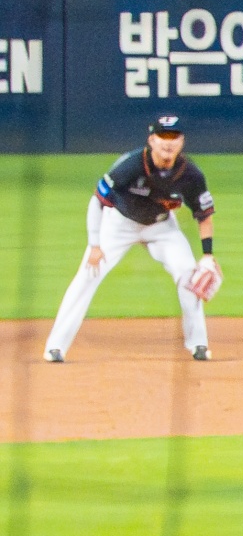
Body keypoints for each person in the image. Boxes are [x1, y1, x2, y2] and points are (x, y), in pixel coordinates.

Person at [46, 115, 218, 364]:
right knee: (87, 276)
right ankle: (55, 347)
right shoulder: (131, 165)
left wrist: (208, 255)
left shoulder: (191, 174)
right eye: (162, 136)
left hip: (161, 227)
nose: (168, 142)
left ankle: (198, 344)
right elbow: (97, 200)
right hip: (119, 225)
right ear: (151, 140)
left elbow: (204, 216)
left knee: (188, 273)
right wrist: (95, 245)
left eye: (174, 137)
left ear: (182, 142)